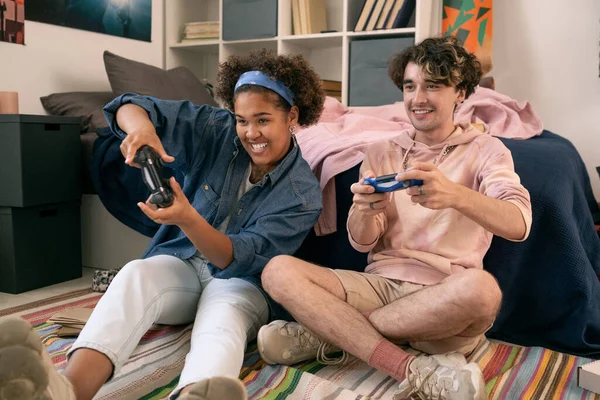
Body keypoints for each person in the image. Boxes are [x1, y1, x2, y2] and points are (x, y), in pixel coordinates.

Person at [0, 49, 325, 400]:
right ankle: (68, 391)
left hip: (240, 282)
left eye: (263, 120)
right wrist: (142, 130)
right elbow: (129, 104)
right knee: (134, 275)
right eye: (242, 120)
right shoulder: (215, 128)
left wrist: (187, 218)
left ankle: (197, 393)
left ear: (292, 115)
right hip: (181, 263)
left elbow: (236, 259)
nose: (250, 133)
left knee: (222, 317)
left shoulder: (303, 194)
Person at [257, 37, 532, 400]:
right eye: (409, 86)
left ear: (461, 92)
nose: (418, 98)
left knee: (483, 291)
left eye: (433, 86)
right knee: (277, 270)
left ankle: (331, 333)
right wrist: (364, 213)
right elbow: (362, 242)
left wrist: (455, 195)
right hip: (379, 286)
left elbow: (519, 223)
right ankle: (409, 368)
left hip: (443, 296)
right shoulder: (381, 151)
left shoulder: (488, 150)